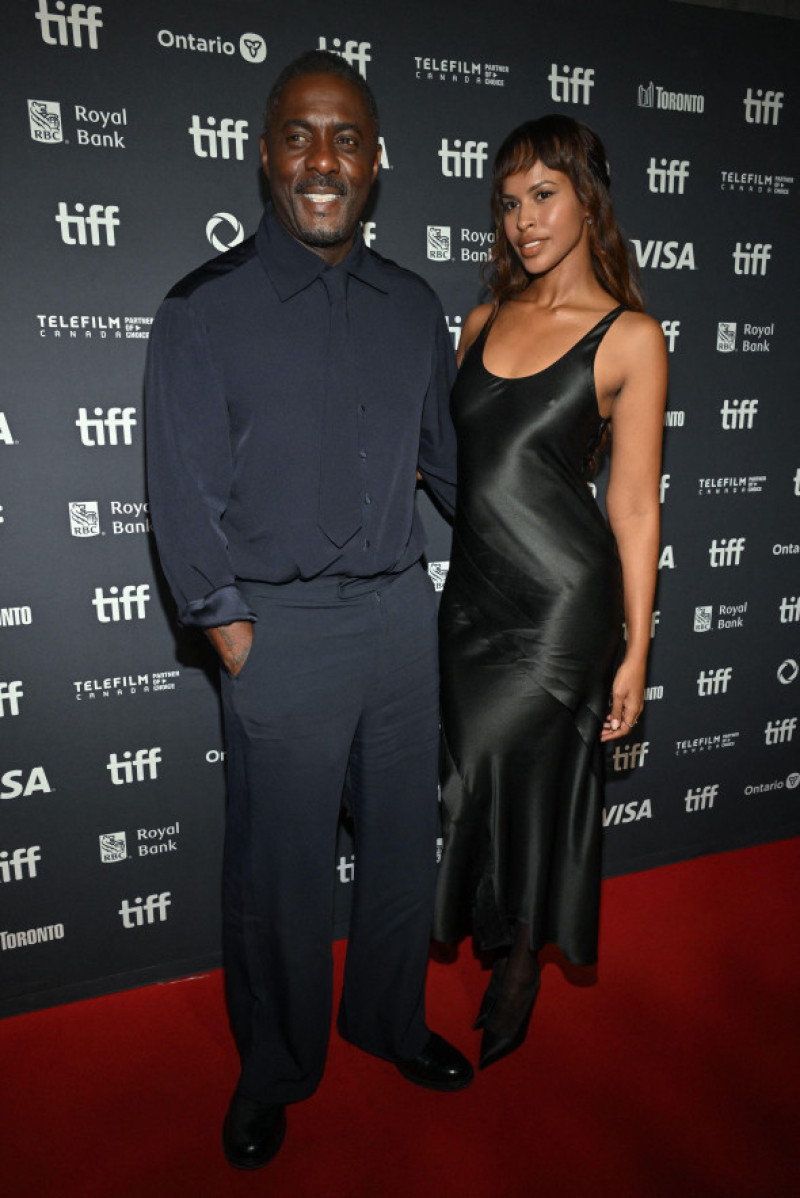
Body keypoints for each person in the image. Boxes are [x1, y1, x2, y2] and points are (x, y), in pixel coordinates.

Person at [145, 49, 472, 1171]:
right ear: (263, 154)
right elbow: (176, 495)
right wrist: (231, 632)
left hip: (395, 622)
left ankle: (385, 1019)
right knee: (278, 876)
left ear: (375, 162)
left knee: (397, 857)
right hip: (275, 637)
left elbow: (451, 469)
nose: (322, 159)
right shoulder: (203, 310)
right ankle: (273, 1068)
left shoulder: (412, 304)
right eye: (299, 134)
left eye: (345, 138)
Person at [432, 115, 667, 1069]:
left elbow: (637, 507)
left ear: (586, 197)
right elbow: (459, 467)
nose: (524, 219)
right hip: (473, 599)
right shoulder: (481, 321)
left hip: (564, 603)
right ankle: (500, 930)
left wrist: (637, 649)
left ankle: (522, 959)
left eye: (544, 195)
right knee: (474, 783)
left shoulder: (631, 338)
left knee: (535, 787)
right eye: (510, 200)